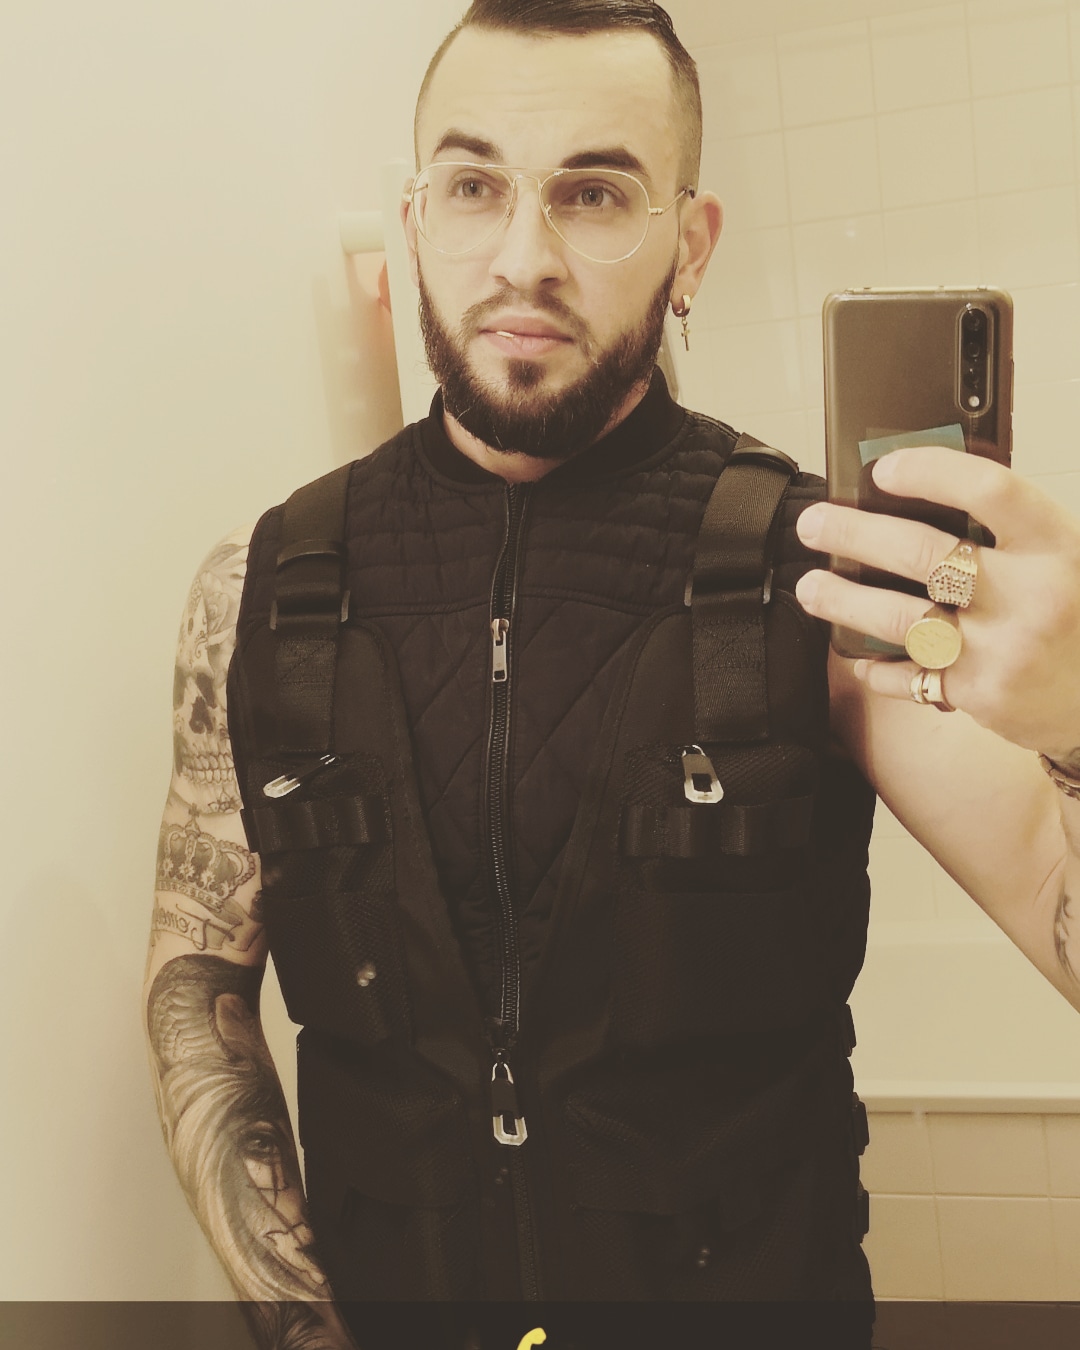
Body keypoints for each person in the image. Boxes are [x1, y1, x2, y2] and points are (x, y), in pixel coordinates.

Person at [143, 2, 1080, 1347]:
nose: (523, 258)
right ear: (415, 218)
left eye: (593, 193)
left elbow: (1055, 907)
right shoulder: (266, 584)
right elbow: (198, 985)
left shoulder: (821, 572)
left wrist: (1078, 727)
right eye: (474, 186)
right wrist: (301, 1326)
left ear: (690, 244)